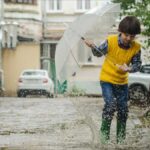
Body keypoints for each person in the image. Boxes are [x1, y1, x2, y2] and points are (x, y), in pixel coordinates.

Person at [84, 16, 142, 144]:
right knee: (110, 106)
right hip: (107, 80)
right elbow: (98, 53)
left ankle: (120, 141)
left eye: (132, 36)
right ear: (120, 31)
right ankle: (104, 140)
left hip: (122, 82)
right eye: (126, 35)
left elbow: (137, 65)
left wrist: (129, 68)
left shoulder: (136, 47)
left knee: (123, 110)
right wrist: (92, 46)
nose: (128, 39)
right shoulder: (110, 41)